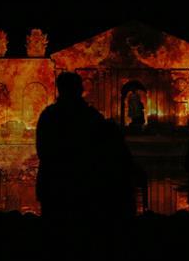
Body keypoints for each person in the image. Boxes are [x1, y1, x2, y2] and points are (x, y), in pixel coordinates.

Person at [36, 72, 133, 219]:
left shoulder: (48, 115)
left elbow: (43, 151)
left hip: (54, 187)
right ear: (79, 90)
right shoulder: (90, 117)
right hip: (84, 188)